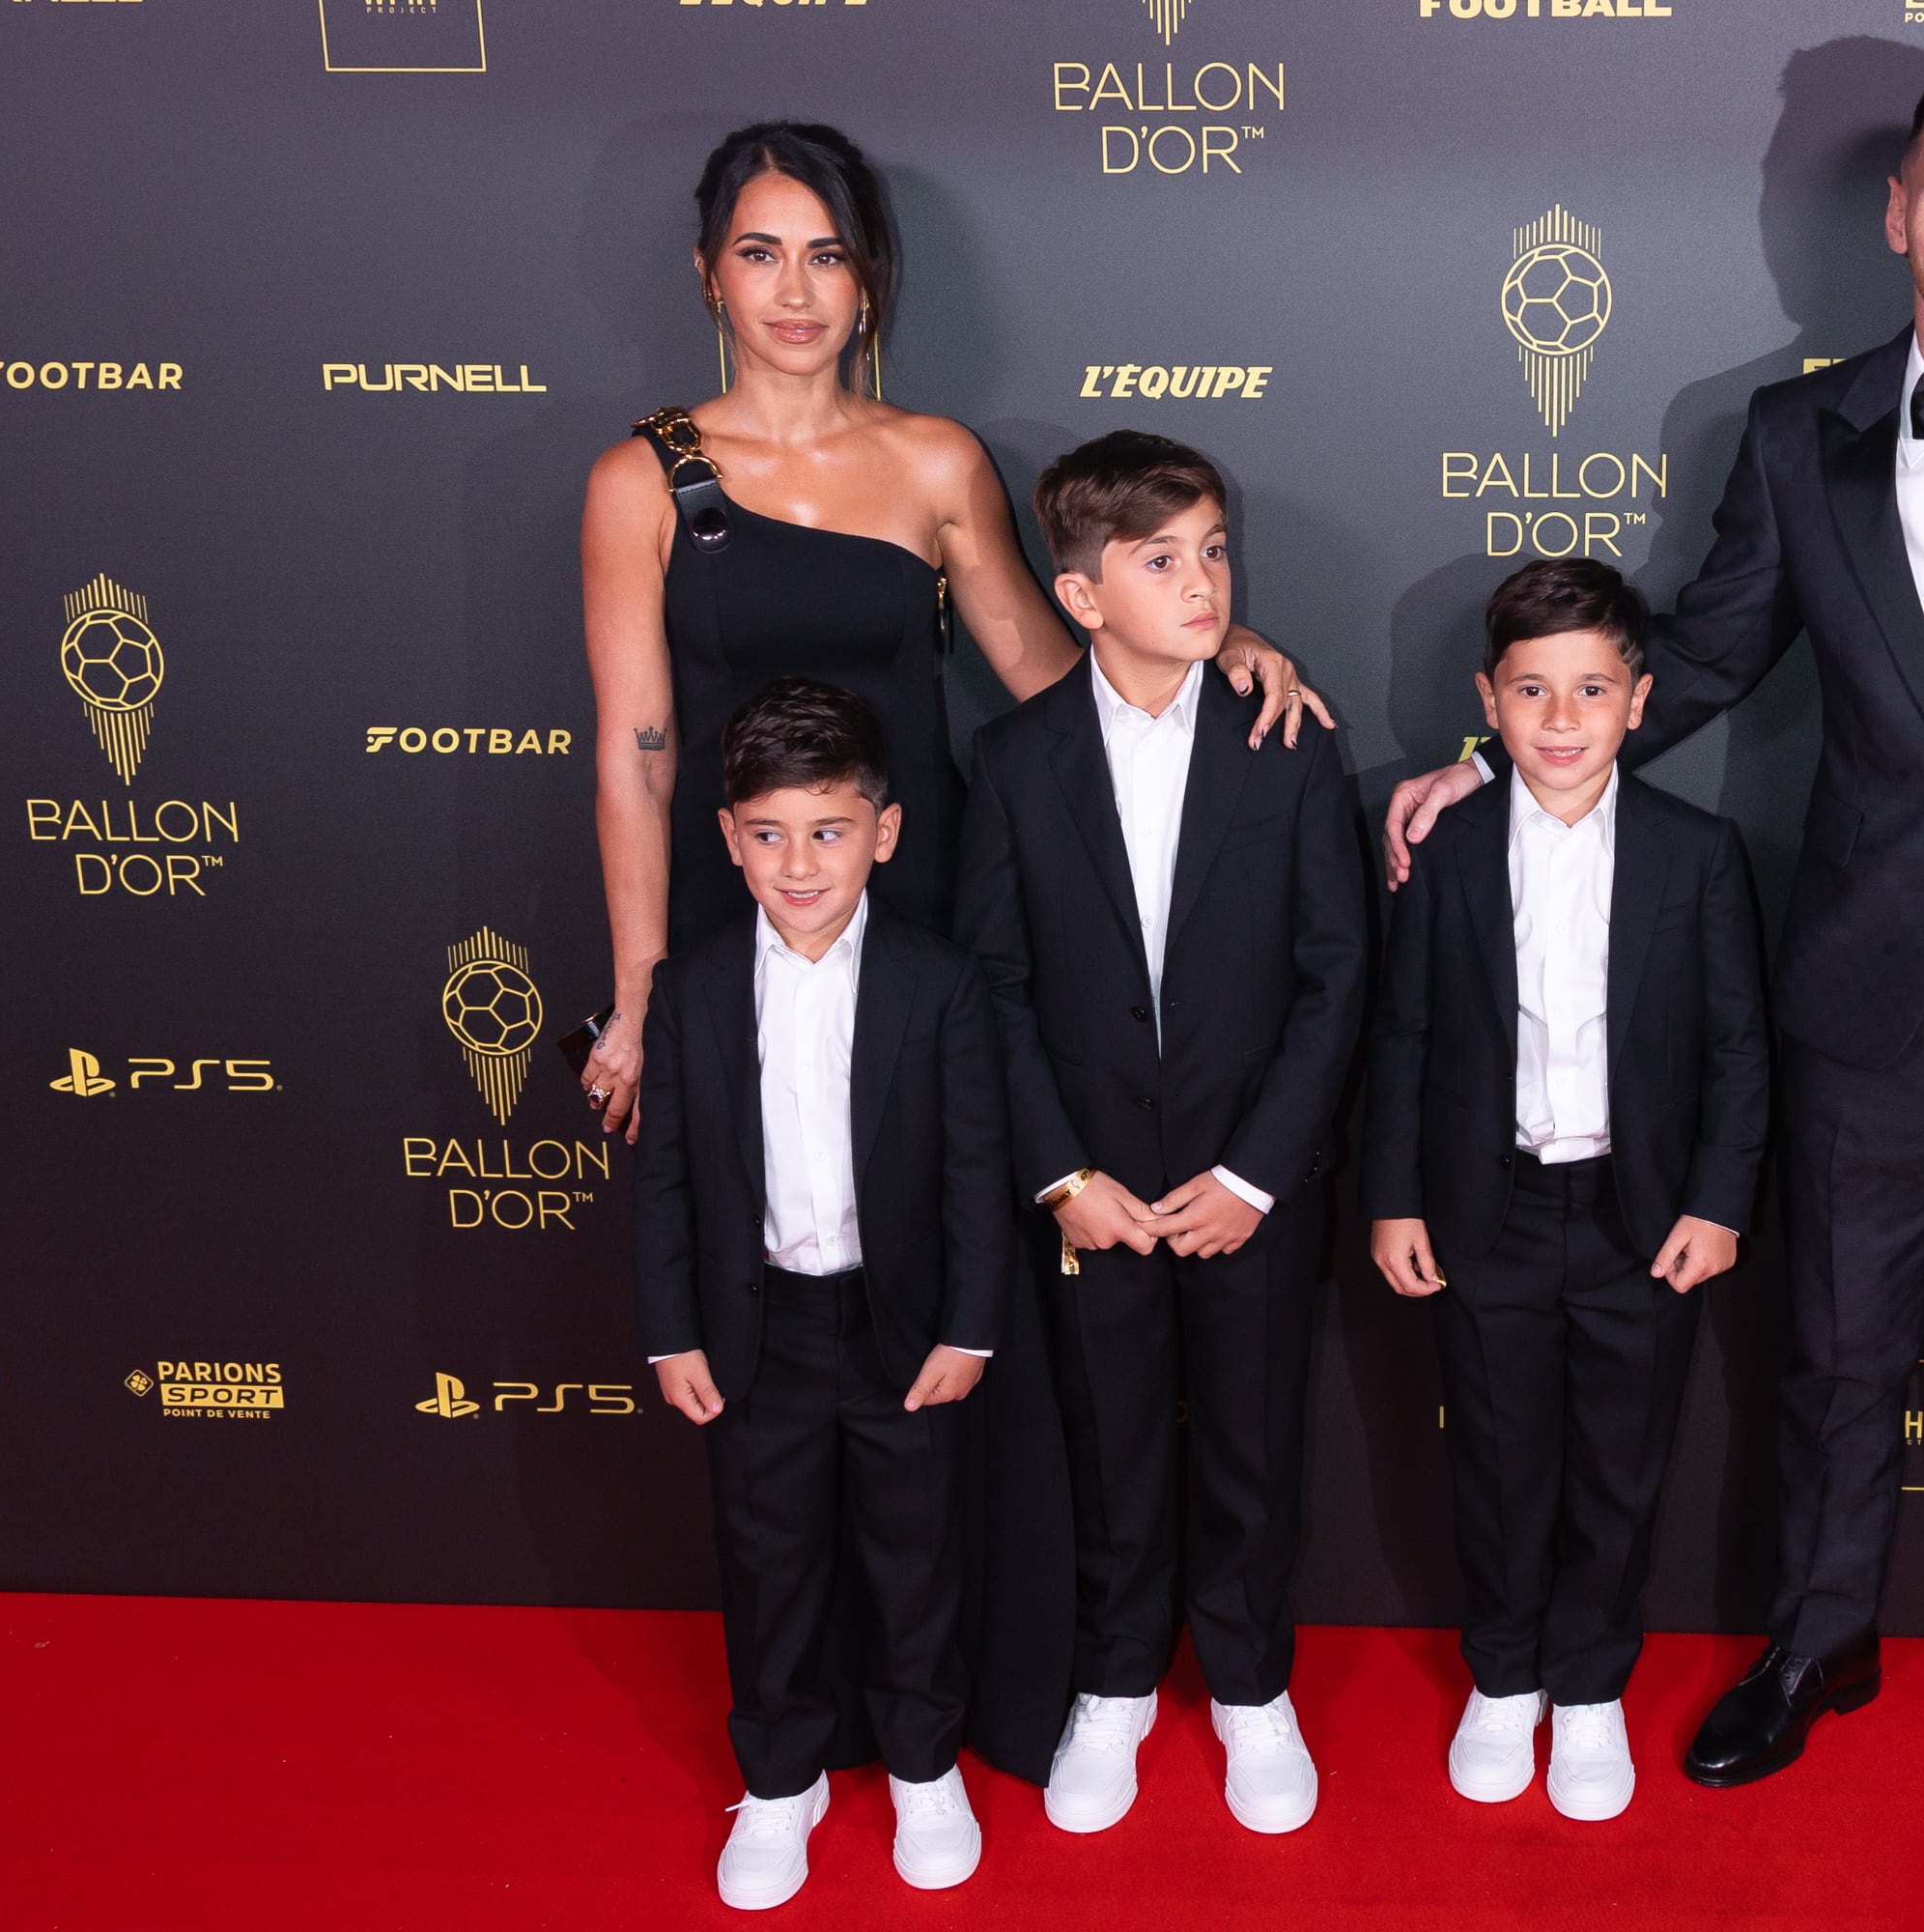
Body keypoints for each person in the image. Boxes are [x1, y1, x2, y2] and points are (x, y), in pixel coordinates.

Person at [1384, 54, 1924, 1871]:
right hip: (1862, 994)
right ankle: (1816, 1642)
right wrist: (1494, 759)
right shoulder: (1798, 437)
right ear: (1894, 216)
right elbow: (1697, 658)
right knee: (1835, 1362)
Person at [579, 121, 1327, 1790]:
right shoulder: (642, 478)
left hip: (926, 936)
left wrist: (1218, 643)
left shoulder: (933, 462)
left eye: (827, 254)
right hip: (742, 924)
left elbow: (1055, 662)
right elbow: (636, 748)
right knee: (775, 1330)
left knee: (943, 1316)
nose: (794, 289)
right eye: (760, 252)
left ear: (870, 280)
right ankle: (798, 1737)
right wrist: (639, 992)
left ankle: (972, 1709)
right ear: (707, 272)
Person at [956, 432, 1369, 1838]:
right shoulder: (1013, 761)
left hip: (1250, 1181)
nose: (1203, 584)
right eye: (1161, 560)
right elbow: (995, 985)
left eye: (1214, 552)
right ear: (1080, 596)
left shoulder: (1288, 740)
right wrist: (1061, 1173)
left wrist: (1257, 1172)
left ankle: (1253, 1685)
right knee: (1110, 1442)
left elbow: (1335, 975)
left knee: (1253, 1441)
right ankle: (1115, 1678)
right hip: (1094, 1189)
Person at [1364, 558, 1769, 1823]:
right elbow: (1403, 1032)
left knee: (1618, 1465)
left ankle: (1589, 1686)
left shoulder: (1697, 853)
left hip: (1639, 1217)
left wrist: (1718, 1200)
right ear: (1488, 700)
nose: (1560, 717)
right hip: (1483, 1213)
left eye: (1591, 689)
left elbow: (1737, 1047)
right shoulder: (1444, 845)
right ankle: (1505, 1677)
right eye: (1531, 689)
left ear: (1638, 702)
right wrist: (1394, 1195)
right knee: (1497, 1463)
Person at [634, 679, 1011, 1908]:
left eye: (829, 830)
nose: (799, 864)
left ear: (883, 832)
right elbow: (666, 1176)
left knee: (916, 1557)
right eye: (769, 833)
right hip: (760, 1331)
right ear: (730, 836)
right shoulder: (690, 989)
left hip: (902, 1326)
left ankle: (923, 1766)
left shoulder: (938, 981)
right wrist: (672, 1330)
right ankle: (779, 1778)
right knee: (769, 1562)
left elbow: (976, 1170)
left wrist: (970, 1323)